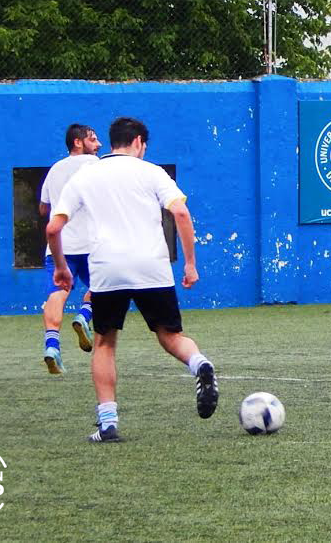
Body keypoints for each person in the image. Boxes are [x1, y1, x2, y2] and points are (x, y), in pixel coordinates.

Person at [46, 117, 218, 443]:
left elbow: (53, 228)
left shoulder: (86, 175)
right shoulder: (152, 172)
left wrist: (61, 267)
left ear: (112, 142)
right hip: (152, 266)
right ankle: (200, 364)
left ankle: (108, 424)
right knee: (170, 335)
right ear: (138, 141)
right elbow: (181, 213)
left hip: (107, 268)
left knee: (104, 343)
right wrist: (190, 264)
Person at [39, 124, 102, 374]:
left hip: (60, 246)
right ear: (78, 142)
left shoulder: (55, 169)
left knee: (56, 295)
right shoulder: (96, 166)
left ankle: (52, 347)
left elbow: (43, 208)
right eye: (93, 139)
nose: (98, 145)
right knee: (106, 288)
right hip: (91, 244)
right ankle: (84, 316)